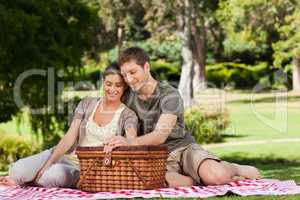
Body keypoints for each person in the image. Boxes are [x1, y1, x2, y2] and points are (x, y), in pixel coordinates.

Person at [104, 47, 261, 187]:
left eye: (133, 72)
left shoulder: (169, 94)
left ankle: (234, 168)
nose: (129, 79)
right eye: (125, 75)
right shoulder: (127, 96)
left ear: (146, 66)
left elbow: (160, 135)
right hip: (156, 158)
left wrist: (130, 142)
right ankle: (196, 179)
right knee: (146, 180)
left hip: (183, 149)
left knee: (217, 177)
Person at [0, 64, 138, 188]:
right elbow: (70, 136)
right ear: (103, 82)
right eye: (108, 84)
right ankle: (26, 179)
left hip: (84, 168)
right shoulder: (87, 103)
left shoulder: (128, 115)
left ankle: (29, 182)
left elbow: (133, 139)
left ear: (125, 86)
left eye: (118, 85)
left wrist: (126, 141)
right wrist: (48, 163)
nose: (112, 89)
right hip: (64, 155)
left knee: (53, 176)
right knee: (18, 171)